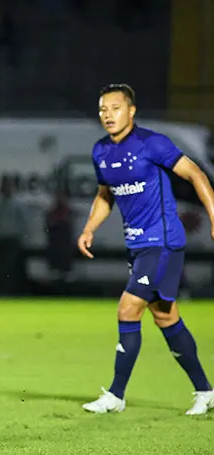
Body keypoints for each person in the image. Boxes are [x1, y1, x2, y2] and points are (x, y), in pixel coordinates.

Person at [78, 83, 214, 415]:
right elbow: (105, 194)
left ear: (131, 110)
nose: (108, 115)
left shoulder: (152, 143)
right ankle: (206, 391)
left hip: (163, 243)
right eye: (103, 110)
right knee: (166, 317)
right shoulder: (100, 151)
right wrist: (89, 228)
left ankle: (116, 395)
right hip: (138, 245)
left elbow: (195, 174)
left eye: (115, 108)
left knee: (128, 308)